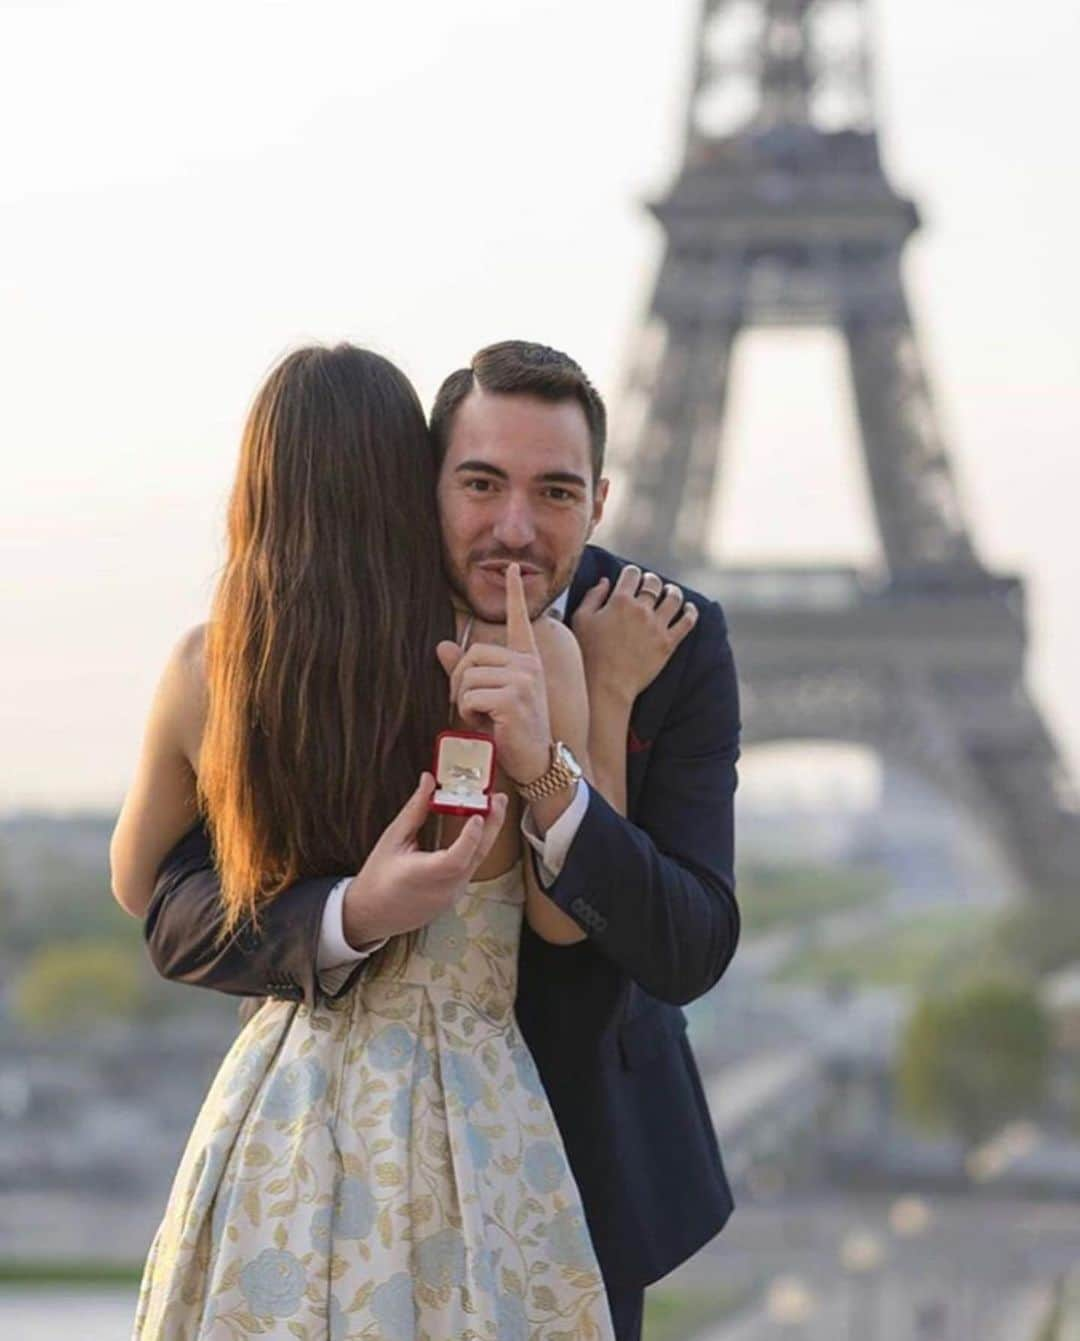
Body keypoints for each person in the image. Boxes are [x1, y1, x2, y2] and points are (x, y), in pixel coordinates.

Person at [143, 340, 742, 1341]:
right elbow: (174, 900)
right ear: (426, 486)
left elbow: (686, 946)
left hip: (580, 1168)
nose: (512, 525)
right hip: (358, 1151)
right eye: (479, 484)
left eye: (554, 492)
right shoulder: (340, 646)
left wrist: (596, 711)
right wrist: (344, 918)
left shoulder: (661, 642)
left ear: (600, 501)